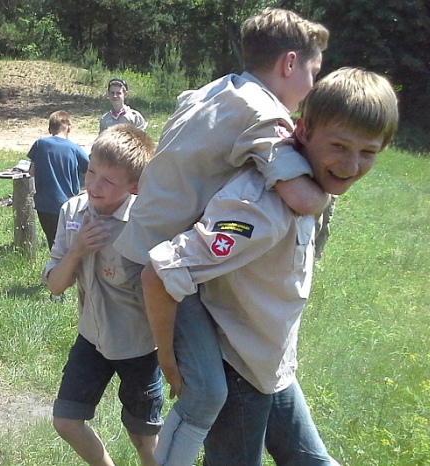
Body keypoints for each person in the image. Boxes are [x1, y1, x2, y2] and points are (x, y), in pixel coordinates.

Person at [141, 67, 399, 466]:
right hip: (239, 366)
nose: (351, 165)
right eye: (340, 146)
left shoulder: (308, 191)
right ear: (303, 131)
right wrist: (168, 361)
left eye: (368, 152)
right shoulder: (261, 207)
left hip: (269, 362)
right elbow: (161, 272)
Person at [113, 8, 330, 465]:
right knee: (206, 392)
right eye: (313, 71)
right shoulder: (264, 115)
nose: (312, 86)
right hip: (165, 265)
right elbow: (303, 197)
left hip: (144, 244)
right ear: (289, 63)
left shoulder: (215, 90)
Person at [44, 124, 161, 466]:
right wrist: (77, 249)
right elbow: (55, 286)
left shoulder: (145, 223)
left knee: (144, 438)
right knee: (66, 421)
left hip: (139, 346)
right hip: (92, 338)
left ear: (134, 186)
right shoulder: (72, 213)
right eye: (91, 172)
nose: (94, 186)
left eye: (108, 181)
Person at [28, 110, 89, 249]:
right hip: (68, 206)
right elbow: (90, 172)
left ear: (50, 129)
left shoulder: (40, 144)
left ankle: (55, 269)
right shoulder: (75, 149)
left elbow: (31, 172)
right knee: (69, 245)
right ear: (69, 128)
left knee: (53, 244)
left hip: (44, 205)